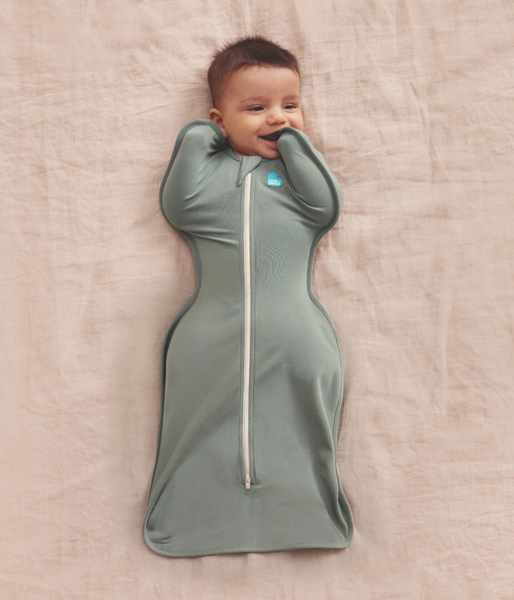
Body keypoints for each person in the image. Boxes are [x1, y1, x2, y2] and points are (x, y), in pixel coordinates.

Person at [142, 35, 354, 558]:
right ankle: (193, 517)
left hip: (296, 334)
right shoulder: (208, 179)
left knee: (300, 428)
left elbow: (327, 206)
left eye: (290, 104)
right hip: (210, 334)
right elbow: (178, 204)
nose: (277, 118)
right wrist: (202, 134)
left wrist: (293, 142)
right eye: (256, 108)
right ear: (220, 118)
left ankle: (305, 512)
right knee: (199, 427)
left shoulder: (298, 181)